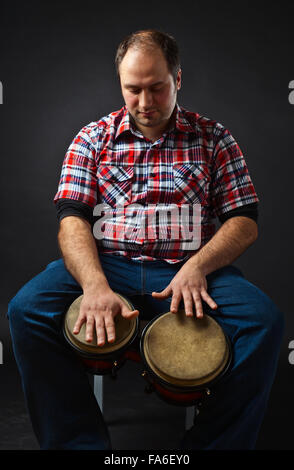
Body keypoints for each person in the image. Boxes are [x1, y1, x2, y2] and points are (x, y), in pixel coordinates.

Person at [7, 29, 284, 450]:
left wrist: (197, 268)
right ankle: (79, 445)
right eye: (132, 90)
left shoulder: (214, 139)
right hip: (109, 265)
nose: (144, 102)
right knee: (26, 311)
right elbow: (71, 221)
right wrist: (94, 284)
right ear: (121, 84)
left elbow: (244, 220)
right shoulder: (91, 138)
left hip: (188, 270)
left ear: (178, 79)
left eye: (157, 88)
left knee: (265, 321)